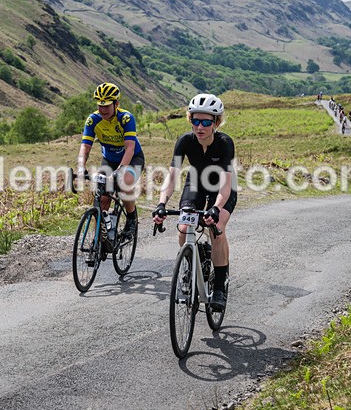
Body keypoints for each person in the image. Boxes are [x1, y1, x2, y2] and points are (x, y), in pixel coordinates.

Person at [152, 93, 236, 310]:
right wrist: (162, 203)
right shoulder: (185, 141)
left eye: (206, 122)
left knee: (216, 228)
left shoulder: (225, 143)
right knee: (183, 227)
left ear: (216, 122)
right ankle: (192, 262)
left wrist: (216, 208)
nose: (200, 127)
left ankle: (218, 286)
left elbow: (226, 186)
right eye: (196, 120)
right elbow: (171, 177)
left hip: (222, 187)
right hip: (196, 183)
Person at [77, 83, 144, 238]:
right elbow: (85, 147)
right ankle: (99, 239)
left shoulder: (126, 118)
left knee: (124, 182)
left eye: (107, 105)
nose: (103, 110)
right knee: (102, 199)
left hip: (132, 158)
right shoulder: (93, 120)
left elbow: (129, 148)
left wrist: (120, 170)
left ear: (116, 104)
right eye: (100, 105)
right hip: (109, 160)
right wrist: (81, 166)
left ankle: (131, 218)